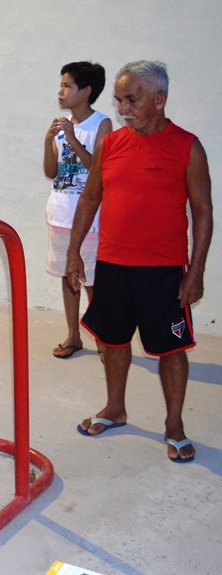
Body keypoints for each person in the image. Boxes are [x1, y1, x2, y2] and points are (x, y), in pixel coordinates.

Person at [67, 60, 213, 464]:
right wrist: (74, 249)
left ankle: (174, 427)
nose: (123, 108)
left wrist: (196, 271)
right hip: (113, 264)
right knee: (112, 341)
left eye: (132, 99)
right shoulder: (111, 144)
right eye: (118, 100)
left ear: (160, 99)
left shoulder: (187, 146)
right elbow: (90, 197)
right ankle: (115, 408)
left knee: (170, 349)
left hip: (163, 271)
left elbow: (203, 211)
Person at [43, 62, 112, 359]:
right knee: (67, 276)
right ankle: (73, 336)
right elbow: (50, 172)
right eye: (60, 85)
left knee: (93, 280)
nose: (61, 91)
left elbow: (101, 171)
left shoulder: (102, 124)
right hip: (60, 215)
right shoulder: (60, 127)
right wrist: (49, 142)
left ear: (86, 91)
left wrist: (72, 138)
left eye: (67, 86)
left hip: (91, 221)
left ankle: (103, 337)